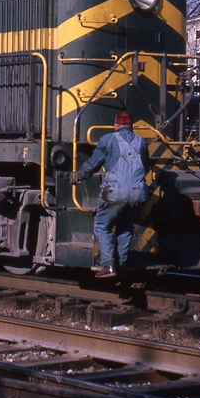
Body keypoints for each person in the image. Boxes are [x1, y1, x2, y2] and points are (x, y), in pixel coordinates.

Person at [70, 112, 151, 278]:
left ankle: (108, 265)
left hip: (115, 192)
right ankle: (122, 264)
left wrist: (79, 175)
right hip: (138, 193)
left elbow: (93, 164)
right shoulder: (141, 141)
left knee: (102, 226)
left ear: (115, 125)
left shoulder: (108, 139)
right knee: (126, 227)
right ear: (132, 126)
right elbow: (146, 165)